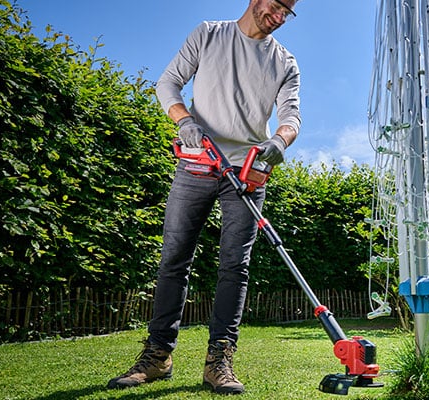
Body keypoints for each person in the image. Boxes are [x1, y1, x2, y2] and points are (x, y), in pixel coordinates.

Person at [107, 0, 301, 394]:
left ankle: (219, 361)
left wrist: (280, 141)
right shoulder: (209, 33)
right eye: (277, 4)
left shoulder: (285, 62)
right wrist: (184, 120)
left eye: (289, 11)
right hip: (197, 163)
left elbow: (291, 116)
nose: (280, 16)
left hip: (246, 173)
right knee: (174, 258)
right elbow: (167, 83)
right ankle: (158, 356)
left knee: (235, 266)